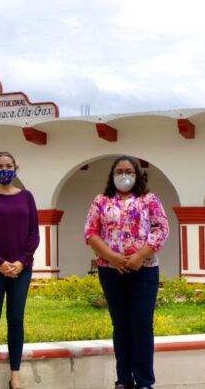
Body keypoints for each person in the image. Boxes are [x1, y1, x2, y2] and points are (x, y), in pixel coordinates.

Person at [83, 155, 169, 389]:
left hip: (145, 270)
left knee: (142, 325)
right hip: (111, 271)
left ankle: (144, 381)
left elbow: (161, 228)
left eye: (129, 171)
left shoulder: (149, 200)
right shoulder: (101, 201)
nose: (124, 175)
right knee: (121, 325)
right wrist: (112, 257)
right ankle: (123, 380)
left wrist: (140, 256)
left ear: (137, 175)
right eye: (119, 171)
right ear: (112, 175)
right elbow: (91, 232)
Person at [0, 151, 39, 389]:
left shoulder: (27, 197)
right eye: (0, 166)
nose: (4, 169)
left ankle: (15, 374)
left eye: (9, 165)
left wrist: (22, 262)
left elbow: (34, 234)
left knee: (16, 320)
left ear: (16, 168)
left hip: (21, 269)